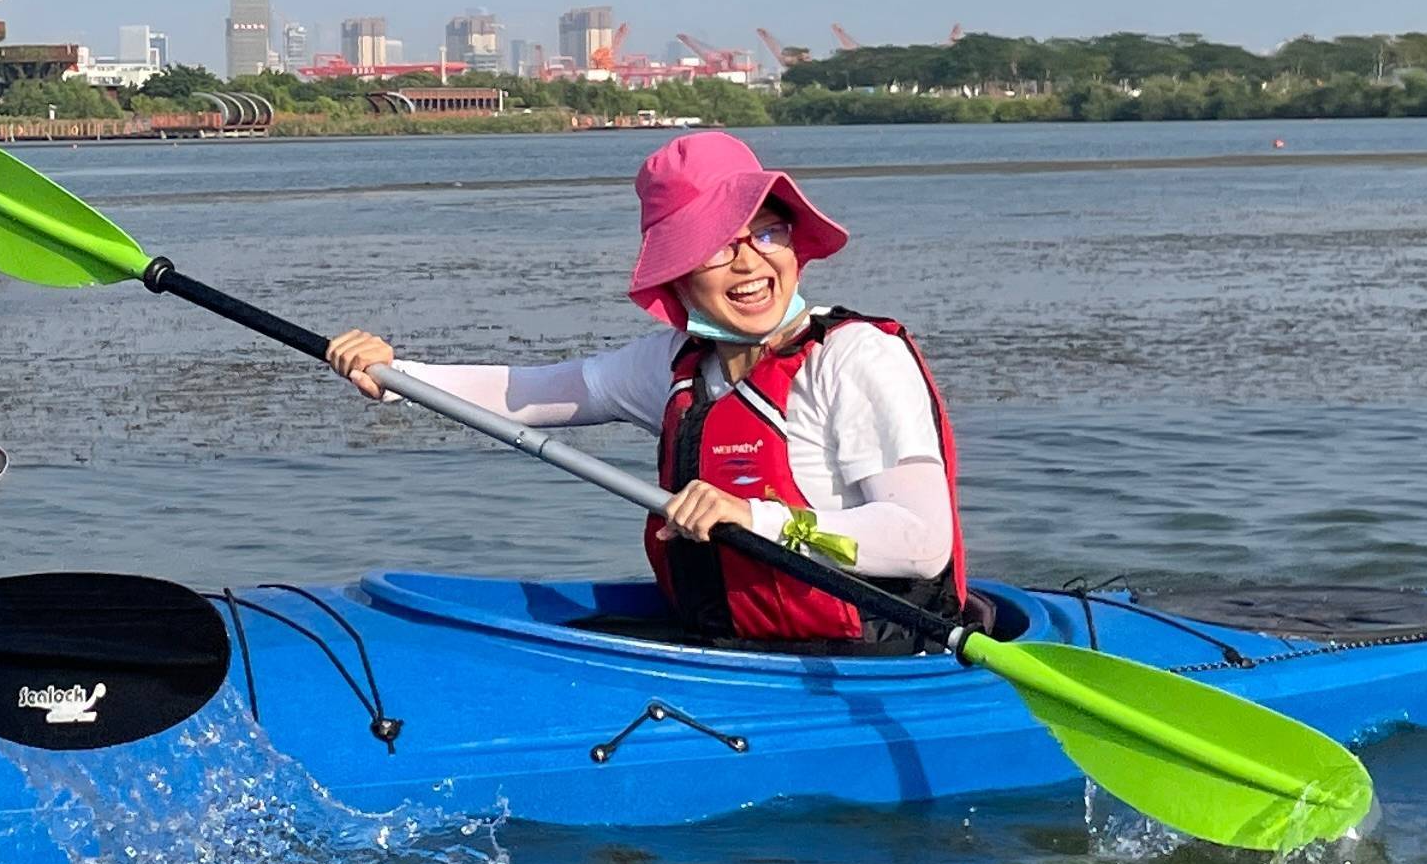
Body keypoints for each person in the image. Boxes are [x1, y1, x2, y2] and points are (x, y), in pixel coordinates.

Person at [321, 130, 965, 650]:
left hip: (878, 658)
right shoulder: (675, 366)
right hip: (739, 645)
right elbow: (527, 392)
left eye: (767, 232)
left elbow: (920, 541)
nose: (750, 262)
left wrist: (754, 518)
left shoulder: (855, 358)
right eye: (718, 248)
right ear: (679, 277)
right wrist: (395, 374)